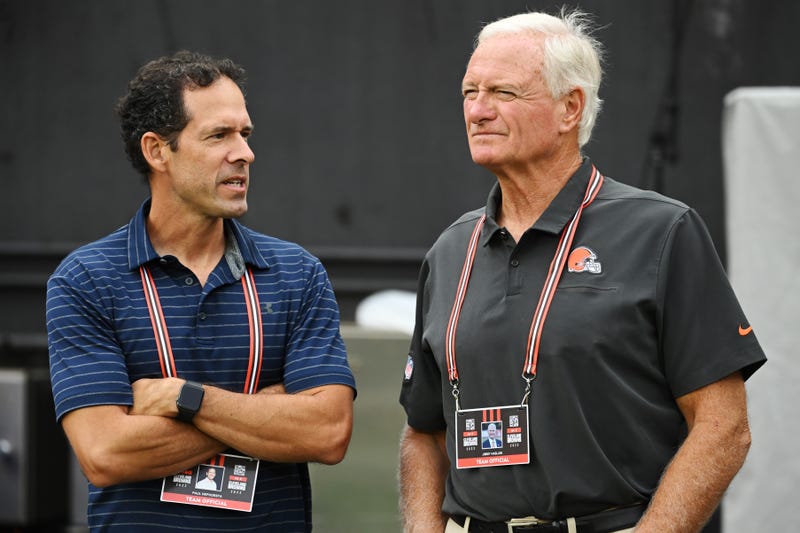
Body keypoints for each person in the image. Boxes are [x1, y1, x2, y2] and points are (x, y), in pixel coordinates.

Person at [398, 9, 766, 533]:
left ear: (570, 108)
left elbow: (723, 425)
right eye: (468, 92)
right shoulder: (450, 249)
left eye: (503, 93)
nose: (478, 110)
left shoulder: (661, 231)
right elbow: (424, 432)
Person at [46, 51, 356, 532]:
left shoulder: (296, 272)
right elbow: (106, 453)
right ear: (157, 151)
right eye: (218, 136)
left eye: (245, 134)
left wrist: (183, 399)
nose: (245, 153)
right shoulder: (87, 279)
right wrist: (270, 405)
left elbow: (328, 432)